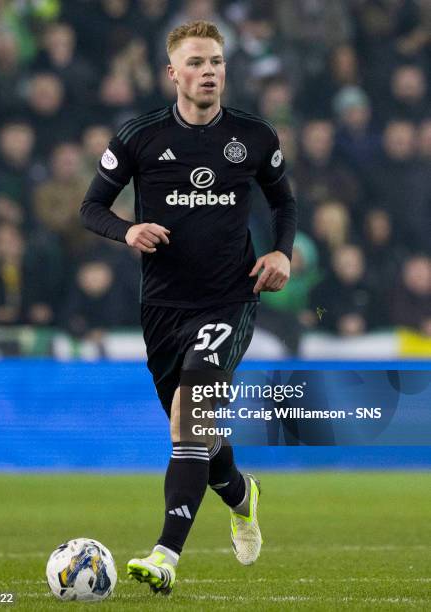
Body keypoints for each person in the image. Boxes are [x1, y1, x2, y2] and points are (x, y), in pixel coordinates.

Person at [80, 21, 297, 594]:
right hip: (163, 307)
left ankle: (164, 555)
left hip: (230, 297)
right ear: (173, 73)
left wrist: (282, 252)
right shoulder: (138, 137)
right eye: (197, 63)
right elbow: (91, 207)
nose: (210, 72)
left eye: (217, 62)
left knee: (191, 416)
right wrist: (127, 231)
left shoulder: (254, 136)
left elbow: (285, 203)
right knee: (195, 432)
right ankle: (241, 495)